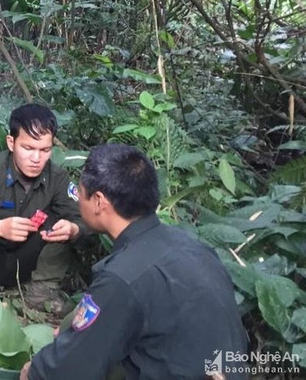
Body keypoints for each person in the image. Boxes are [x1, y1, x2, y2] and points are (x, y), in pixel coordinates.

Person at [20, 143, 248, 380]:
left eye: (80, 192)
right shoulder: (194, 248)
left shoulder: (122, 277)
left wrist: (33, 371)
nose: (78, 200)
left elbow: (66, 370)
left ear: (98, 201)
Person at [0, 104, 86, 311]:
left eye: (45, 150)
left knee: (62, 223)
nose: (36, 159)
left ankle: (41, 293)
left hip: (26, 264)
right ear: (11, 142)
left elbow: (87, 221)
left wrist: (73, 230)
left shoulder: (57, 178)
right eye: (28, 148)